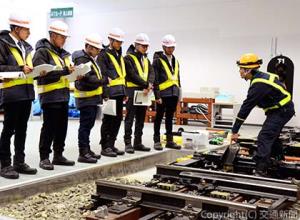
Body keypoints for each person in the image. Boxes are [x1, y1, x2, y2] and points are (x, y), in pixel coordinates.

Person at [231, 53, 295, 177]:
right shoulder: (260, 77)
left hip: (282, 111)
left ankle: (261, 170)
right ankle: (277, 160)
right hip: (281, 109)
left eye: (240, 68)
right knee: (272, 135)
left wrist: (235, 130)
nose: (239, 71)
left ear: (248, 70)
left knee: (264, 137)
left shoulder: (259, 84)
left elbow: (246, 107)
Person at [33, 20, 75, 170]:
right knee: (49, 127)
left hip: (63, 95)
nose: (64, 40)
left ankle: (58, 155)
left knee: (61, 128)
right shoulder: (41, 52)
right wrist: (65, 71)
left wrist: (75, 74)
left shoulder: (63, 54)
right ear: (52, 36)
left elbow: (65, 73)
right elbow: (41, 75)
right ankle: (44, 157)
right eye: (61, 37)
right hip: (50, 96)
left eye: (65, 37)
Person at [0, 13, 37, 179]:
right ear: (16, 28)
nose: (28, 32)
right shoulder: (2, 44)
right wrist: (20, 68)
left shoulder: (26, 46)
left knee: (22, 129)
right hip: (12, 94)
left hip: (26, 92)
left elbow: (27, 68)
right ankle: (5, 164)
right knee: (9, 130)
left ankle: (19, 162)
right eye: (26, 29)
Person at [72, 33, 107, 163]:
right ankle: (83, 152)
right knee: (85, 126)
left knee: (89, 125)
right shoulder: (82, 59)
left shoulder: (90, 58)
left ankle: (87, 149)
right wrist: (104, 80)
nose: (98, 51)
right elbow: (88, 78)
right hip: (85, 98)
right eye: (97, 49)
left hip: (92, 98)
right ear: (89, 47)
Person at [123, 33, 155, 153]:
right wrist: (146, 85)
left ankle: (138, 142)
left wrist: (149, 84)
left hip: (144, 92)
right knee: (130, 118)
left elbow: (152, 73)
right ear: (136, 45)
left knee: (141, 118)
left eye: (147, 46)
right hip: (132, 92)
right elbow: (132, 75)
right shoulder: (128, 58)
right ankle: (127, 143)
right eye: (143, 46)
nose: (145, 48)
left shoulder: (145, 59)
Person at [98, 28, 127, 157]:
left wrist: (125, 91)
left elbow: (122, 75)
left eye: (121, 42)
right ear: (110, 40)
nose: (119, 44)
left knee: (117, 119)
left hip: (120, 92)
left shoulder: (118, 54)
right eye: (117, 42)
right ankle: (105, 146)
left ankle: (111, 144)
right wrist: (105, 94)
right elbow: (103, 74)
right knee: (108, 120)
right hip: (110, 93)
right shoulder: (103, 55)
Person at [152, 34, 182, 151]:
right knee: (159, 117)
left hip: (173, 93)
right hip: (163, 94)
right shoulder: (157, 61)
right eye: (169, 47)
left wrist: (179, 93)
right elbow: (155, 79)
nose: (171, 49)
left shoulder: (176, 61)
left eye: (172, 47)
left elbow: (178, 77)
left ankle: (169, 140)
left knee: (170, 117)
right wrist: (157, 95)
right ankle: (156, 140)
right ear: (163, 47)